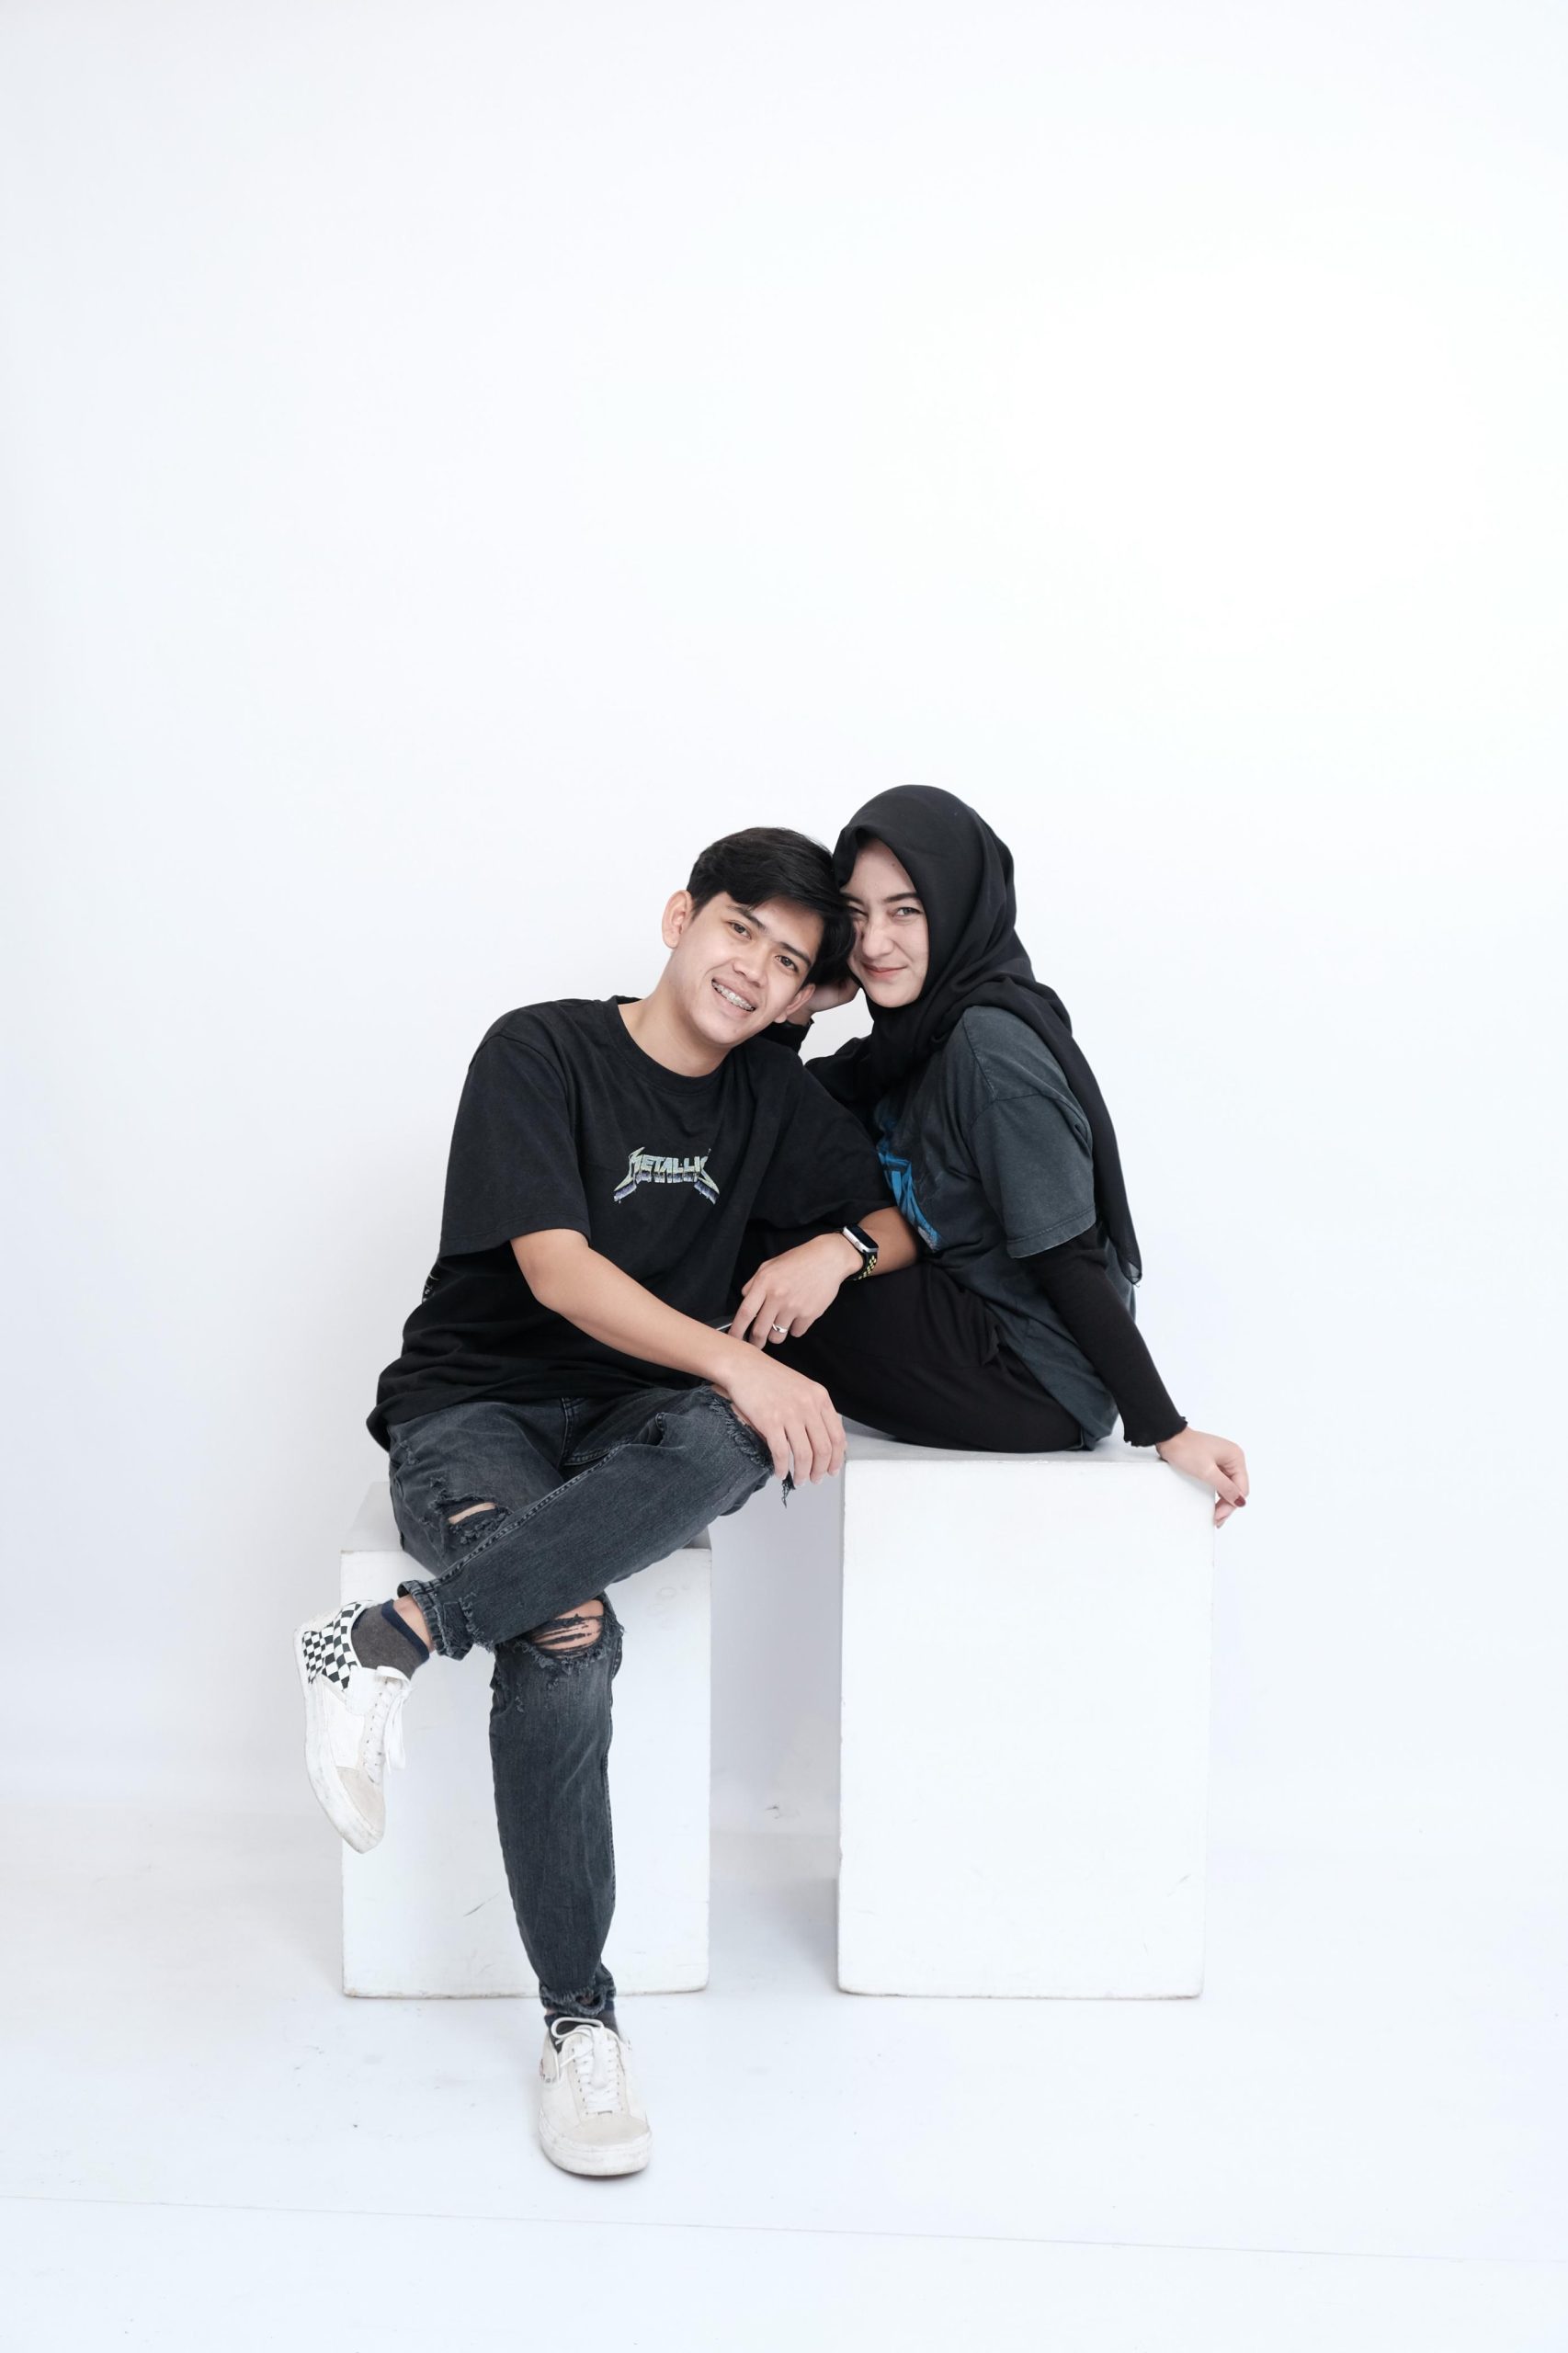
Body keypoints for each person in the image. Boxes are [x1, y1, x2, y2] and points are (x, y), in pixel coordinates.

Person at [294, 827, 915, 2178]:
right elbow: (560, 1275)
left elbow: (902, 1217)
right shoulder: (540, 1050)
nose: (753, 971)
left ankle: (399, 1634)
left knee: (743, 1440)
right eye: (739, 930)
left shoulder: (767, 1094)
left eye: (789, 963)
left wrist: (833, 1247)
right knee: (565, 1632)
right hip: (476, 1409)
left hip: (634, 1423)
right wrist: (739, 1357)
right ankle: (580, 2023)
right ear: (679, 915)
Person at [731, 786, 1249, 1526]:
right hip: (970, 1322)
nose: (872, 944)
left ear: (959, 907)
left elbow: (1069, 1260)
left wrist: (1165, 1429)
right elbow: (778, 1124)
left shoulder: (988, 1052)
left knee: (734, 1234)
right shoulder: (911, 1043)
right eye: (856, 915)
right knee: (740, 1192)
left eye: (905, 912)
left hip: (1028, 1377)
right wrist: (803, 1004)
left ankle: (633, 1397)